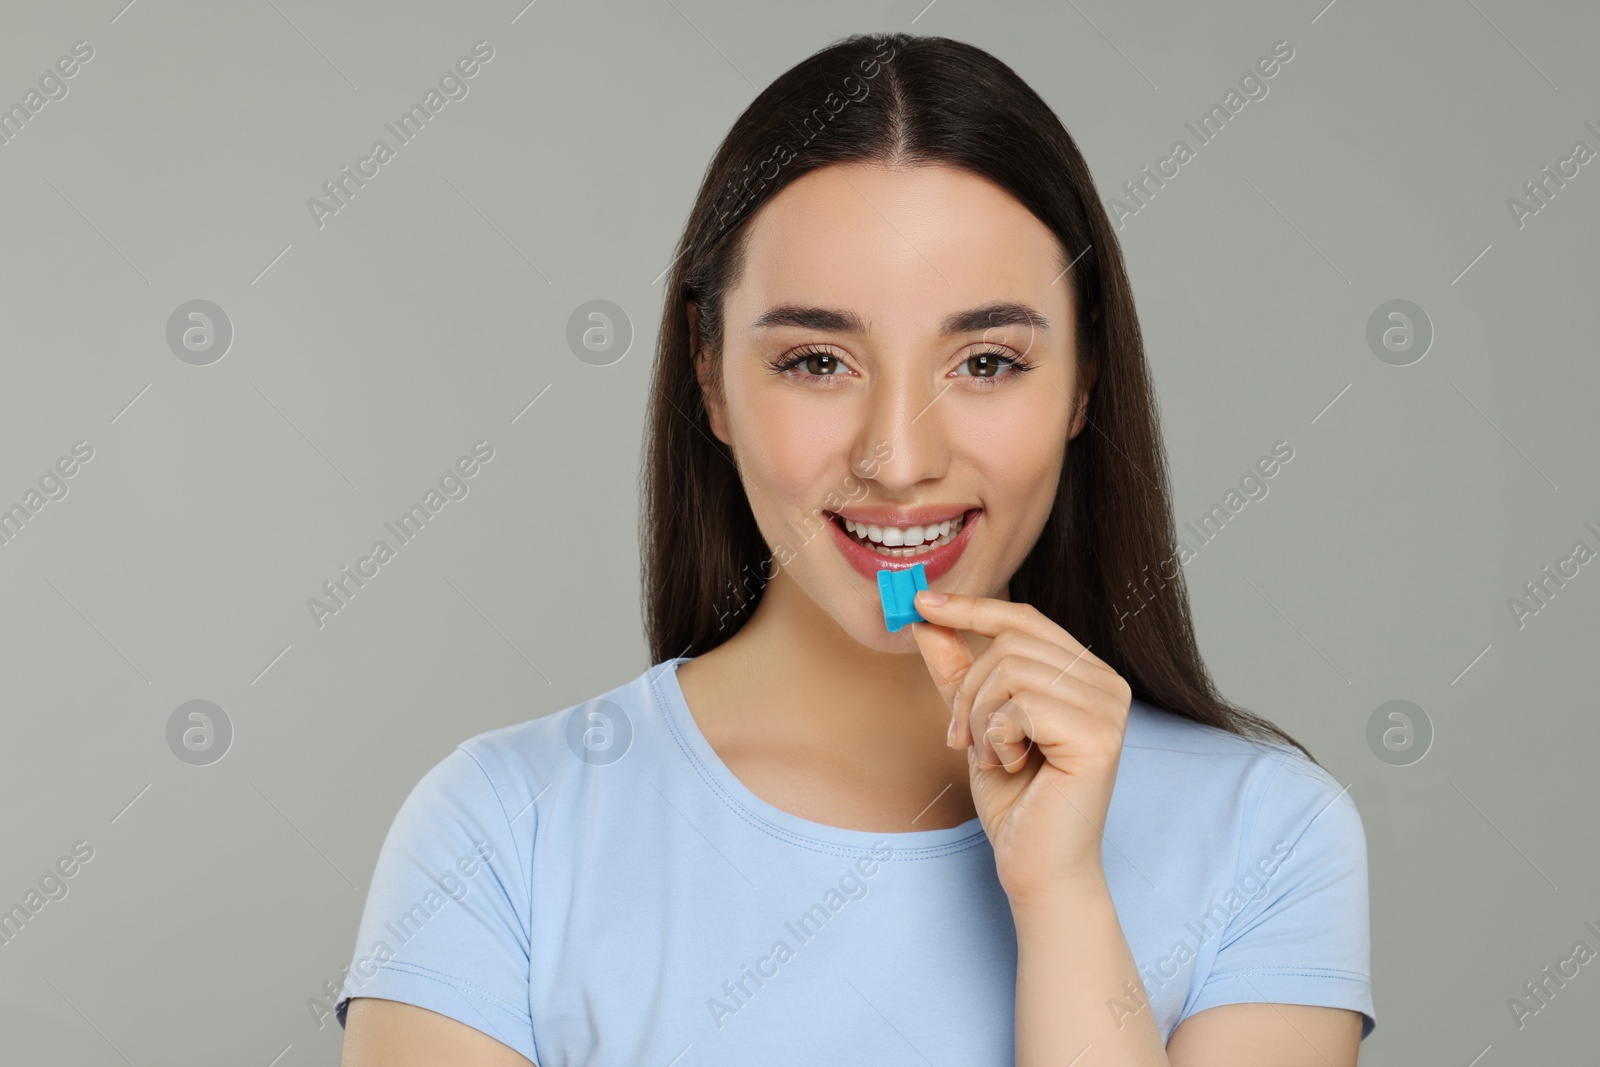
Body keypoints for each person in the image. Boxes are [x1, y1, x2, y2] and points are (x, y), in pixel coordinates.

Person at [337, 31, 1374, 1066]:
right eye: (818, 360)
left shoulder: (1268, 838)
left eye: (984, 360)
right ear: (709, 377)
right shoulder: (501, 829)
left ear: (1083, 379)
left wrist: (1061, 899)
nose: (898, 455)